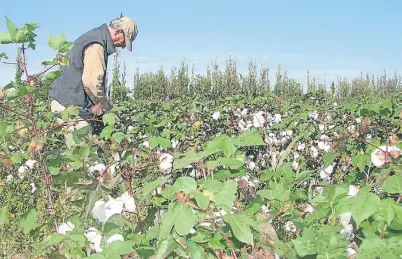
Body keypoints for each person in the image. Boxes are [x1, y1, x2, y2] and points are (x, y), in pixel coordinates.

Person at [49, 16, 138, 137]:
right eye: (125, 41)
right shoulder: (97, 45)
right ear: (118, 31)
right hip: (70, 108)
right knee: (83, 151)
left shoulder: (94, 36)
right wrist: (104, 107)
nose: (123, 46)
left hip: (66, 104)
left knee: (78, 150)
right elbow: (92, 83)